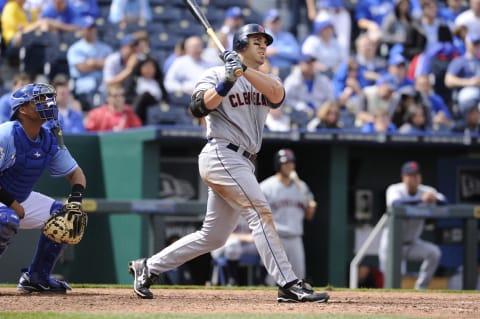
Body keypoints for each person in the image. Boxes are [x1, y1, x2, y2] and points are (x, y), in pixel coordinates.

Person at [128, 23, 330, 303]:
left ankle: (148, 267)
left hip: (244, 161)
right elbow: (198, 108)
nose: (263, 46)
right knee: (260, 212)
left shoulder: (264, 78)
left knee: (213, 237)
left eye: (265, 42)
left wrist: (243, 70)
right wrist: (226, 80)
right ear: (240, 44)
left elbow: (278, 96)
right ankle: (288, 283)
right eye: (256, 41)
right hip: (221, 153)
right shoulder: (213, 74)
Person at [0, 82, 87, 292]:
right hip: (7, 202)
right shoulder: (6, 133)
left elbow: (77, 174)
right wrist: (12, 204)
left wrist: (74, 201)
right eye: (39, 100)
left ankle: (37, 277)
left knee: (63, 216)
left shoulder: (48, 138)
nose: (48, 103)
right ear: (22, 109)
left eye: (48, 98)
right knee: (6, 219)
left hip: (18, 199)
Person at [378, 161, 446, 290]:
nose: (414, 178)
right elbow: (395, 203)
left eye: (416, 175)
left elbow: (444, 201)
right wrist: (421, 200)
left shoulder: (426, 191)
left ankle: (421, 288)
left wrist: (435, 199)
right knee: (392, 281)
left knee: (434, 253)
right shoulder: (395, 189)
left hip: (413, 243)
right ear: (404, 177)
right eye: (411, 175)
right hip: (392, 245)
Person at [260, 149, 317, 285]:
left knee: (298, 278)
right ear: (278, 165)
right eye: (285, 163)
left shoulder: (302, 187)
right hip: (275, 237)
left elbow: (309, 216)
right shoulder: (266, 187)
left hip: (295, 237)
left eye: (291, 163)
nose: (289, 166)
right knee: (272, 279)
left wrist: (311, 207)